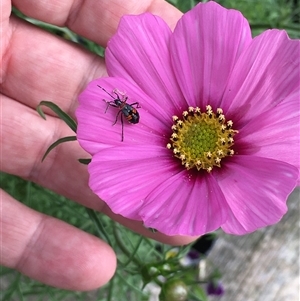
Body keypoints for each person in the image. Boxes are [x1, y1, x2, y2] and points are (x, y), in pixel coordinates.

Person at [0, 0, 197, 291]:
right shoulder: (122, 107)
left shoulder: (127, 108)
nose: (120, 105)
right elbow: (123, 108)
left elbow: (129, 109)